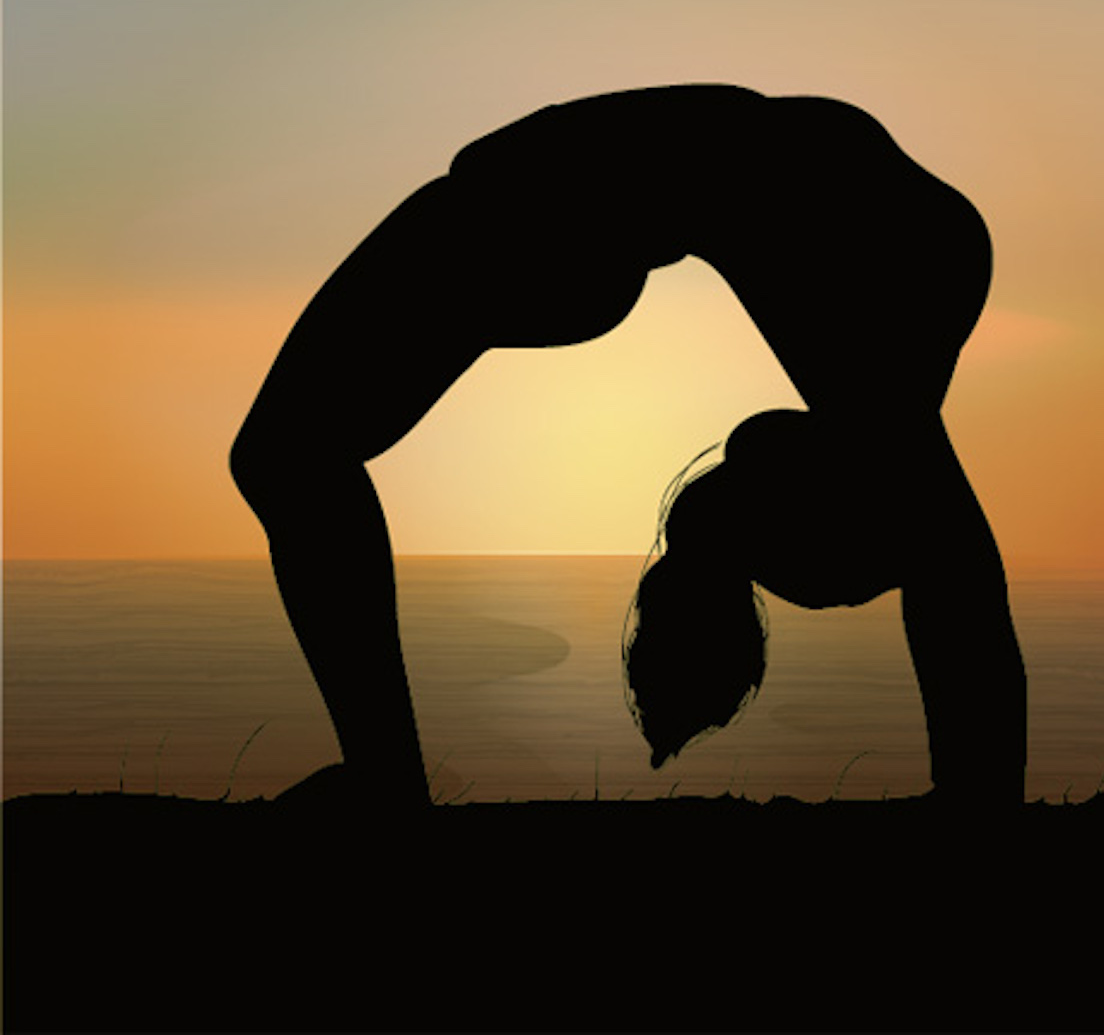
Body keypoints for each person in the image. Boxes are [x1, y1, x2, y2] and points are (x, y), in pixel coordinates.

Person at [230, 84, 1026, 811]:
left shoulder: (793, 194)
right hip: (638, 214)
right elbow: (936, 542)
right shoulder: (796, 188)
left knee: (284, 455)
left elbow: (943, 548)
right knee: (285, 454)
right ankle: (384, 778)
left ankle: (385, 781)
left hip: (570, 215)